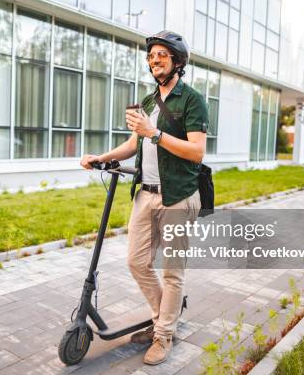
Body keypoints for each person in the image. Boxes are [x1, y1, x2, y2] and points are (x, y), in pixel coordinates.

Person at [80, 30, 209, 365]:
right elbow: (134, 144)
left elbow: (196, 151)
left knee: (172, 272)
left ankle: (163, 335)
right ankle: (163, 319)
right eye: (151, 56)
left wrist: (155, 133)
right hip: (146, 196)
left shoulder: (192, 99)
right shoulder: (149, 101)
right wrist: (102, 157)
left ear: (177, 61)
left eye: (161, 55)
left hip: (178, 197)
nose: (154, 61)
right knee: (136, 262)